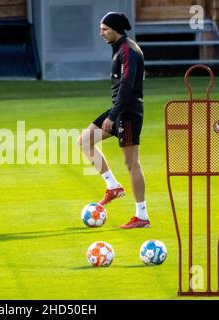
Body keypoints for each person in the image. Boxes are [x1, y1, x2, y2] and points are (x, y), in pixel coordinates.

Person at [77, 12, 149, 229]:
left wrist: (113, 115)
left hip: (127, 113)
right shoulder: (120, 48)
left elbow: (127, 85)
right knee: (84, 140)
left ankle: (142, 216)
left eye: (105, 29)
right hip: (120, 109)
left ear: (116, 29)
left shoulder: (128, 50)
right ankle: (112, 186)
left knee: (131, 163)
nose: (101, 33)